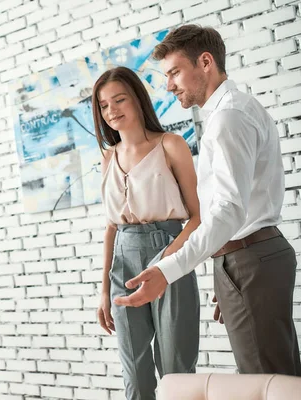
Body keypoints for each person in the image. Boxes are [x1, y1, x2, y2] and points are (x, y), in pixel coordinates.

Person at [115, 25, 301, 376]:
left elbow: (229, 210)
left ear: (205, 62)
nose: (169, 85)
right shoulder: (231, 111)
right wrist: (229, 274)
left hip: (249, 257)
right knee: (279, 375)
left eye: (174, 73)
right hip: (247, 259)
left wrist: (168, 270)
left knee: (267, 381)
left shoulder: (229, 118)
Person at [93, 66, 201, 400]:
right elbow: (111, 226)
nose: (112, 110)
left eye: (120, 99)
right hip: (123, 262)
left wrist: (167, 262)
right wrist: (102, 292)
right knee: (135, 373)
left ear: (138, 100)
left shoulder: (170, 145)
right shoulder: (108, 157)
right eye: (103, 105)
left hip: (168, 254)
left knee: (175, 369)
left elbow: (198, 217)